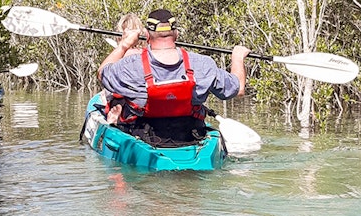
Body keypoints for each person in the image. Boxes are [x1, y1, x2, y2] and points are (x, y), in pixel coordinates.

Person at [99, 8, 249, 145]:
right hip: (191, 138)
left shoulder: (129, 66)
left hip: (145, 140)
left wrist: (124, 45)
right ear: (176, 34)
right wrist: (237, 57)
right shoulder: (203, 64)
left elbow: (103, 73)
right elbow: (239, 89)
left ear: (146, 35)